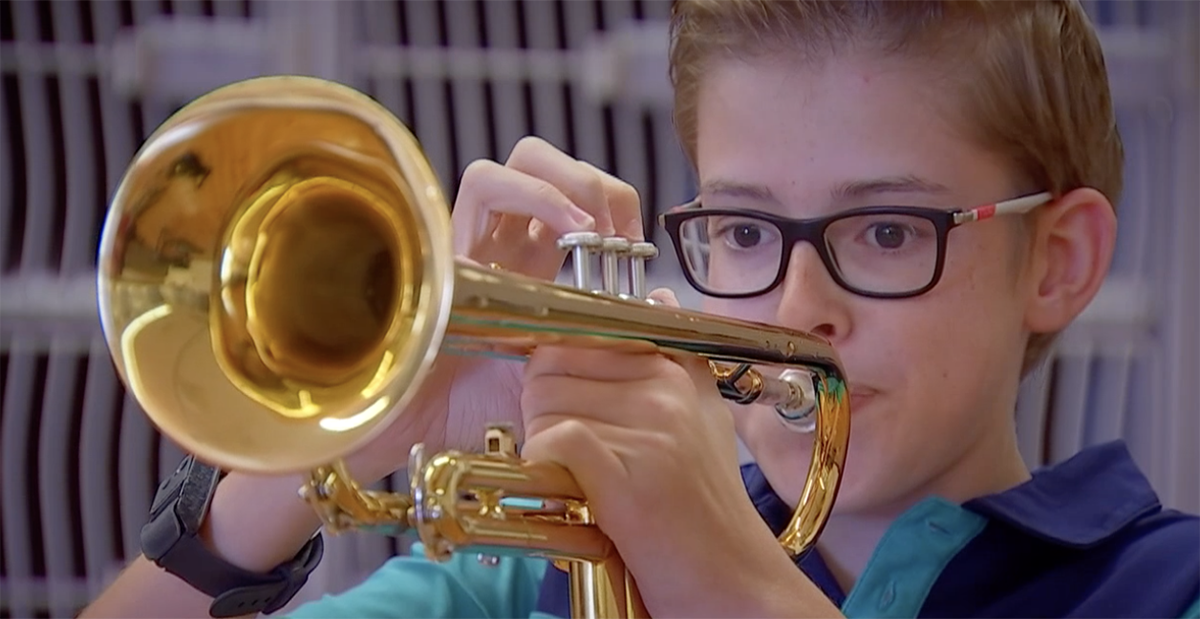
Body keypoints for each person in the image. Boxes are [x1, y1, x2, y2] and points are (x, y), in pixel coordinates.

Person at [80, 1, 1200, 618]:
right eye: (749, 232)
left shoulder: (1164, 588)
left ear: (1058, 259)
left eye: (887, 230)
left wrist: (724, 569)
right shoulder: (539, 580)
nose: (801, 308)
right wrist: (327, 438)